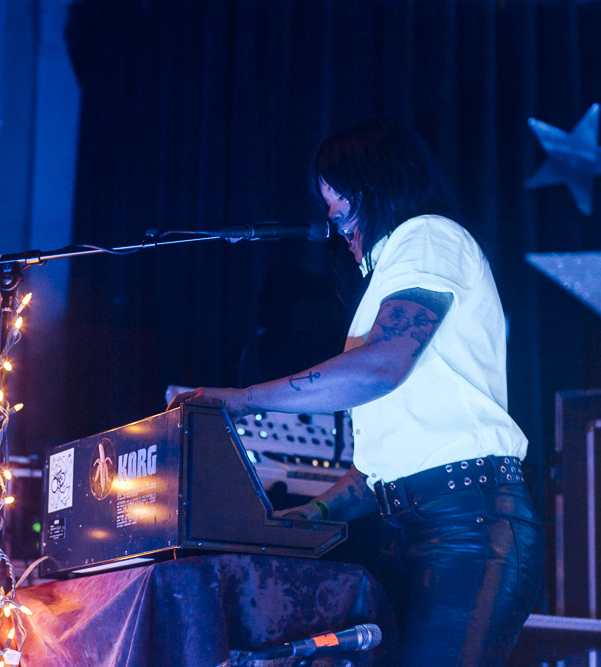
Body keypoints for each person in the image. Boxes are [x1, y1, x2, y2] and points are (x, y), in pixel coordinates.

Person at [168, 116, 544, 665]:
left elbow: (380, 367)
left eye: (337, 199)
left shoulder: (429, 237)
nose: (332, 217)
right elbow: (382, 469)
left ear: (378, 182)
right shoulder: (392, 271)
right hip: (420, 526)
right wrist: (313, 514)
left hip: (470, 524)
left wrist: (241, 400)